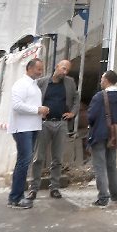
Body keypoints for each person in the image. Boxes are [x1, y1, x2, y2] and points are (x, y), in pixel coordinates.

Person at [83, 70, 117, 207]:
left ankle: (103, 197)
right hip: (114, 136)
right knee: (111, 166)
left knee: (100, 167)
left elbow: (91, 116)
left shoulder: (99, 96)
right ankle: (115, 195)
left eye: (102, 79)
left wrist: (96, 125)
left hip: (98, 134)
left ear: (106, 80)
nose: (101, 81)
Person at [33, 57, 77, 198]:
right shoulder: (42, 82)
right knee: (38, 158)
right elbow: (32, 98)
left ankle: (54, 187)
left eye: (67, 70)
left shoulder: (70, 83)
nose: (65, 72)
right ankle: (34, 188)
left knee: (57, 158)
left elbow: (76, 98)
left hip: (61, 123)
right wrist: (37, 111)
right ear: (57, 66)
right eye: (63, 68)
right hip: (44, 123)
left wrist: (73, 113)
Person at [8, 56, 46, 209]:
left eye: (41, 69)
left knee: (24, 161)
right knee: (24, 162)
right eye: (38, 69)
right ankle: (16, 198)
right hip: (22, 128)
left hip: (32, 127)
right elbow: (17, 105)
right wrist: (37, 110)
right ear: (29, 68)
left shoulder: (34, 85)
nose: (40, 72)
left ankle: (16, 196)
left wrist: (40, 112)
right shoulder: (21, 84)